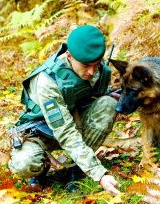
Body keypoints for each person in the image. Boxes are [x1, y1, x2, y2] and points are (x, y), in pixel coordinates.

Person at [8, 25, 121, 196]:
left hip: (75, 122)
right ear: (69, 56)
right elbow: (65, 131)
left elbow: (92, 97)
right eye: (86, 65)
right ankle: (41, 169)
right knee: (24, 163)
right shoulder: (47, 81)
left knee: (108, 104)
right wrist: (100, 174)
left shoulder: (97, 72)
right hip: (41, 132)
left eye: (96, 65)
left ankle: (76, 169)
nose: (91, 72)